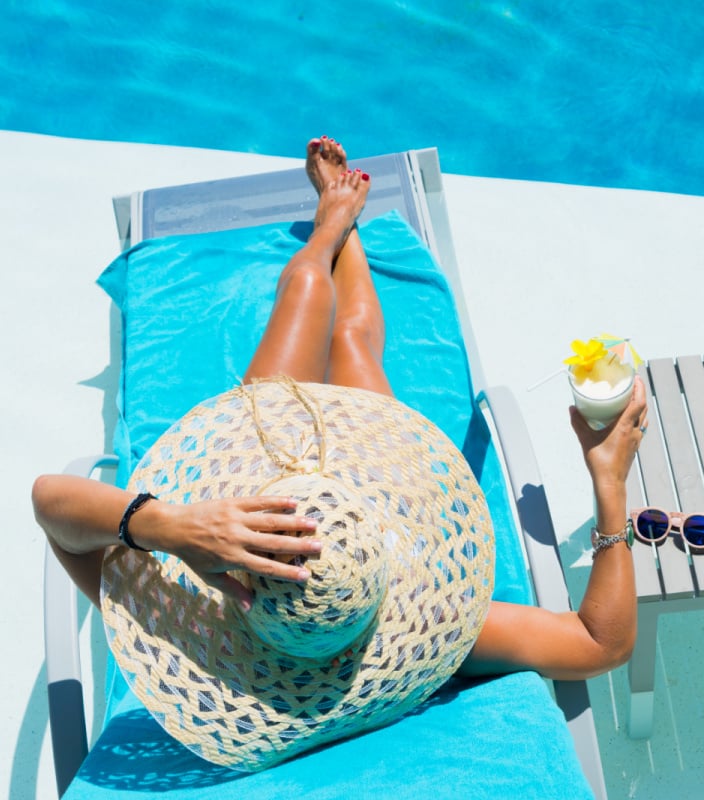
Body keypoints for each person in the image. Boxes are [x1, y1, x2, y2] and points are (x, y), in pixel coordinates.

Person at [33, 136, 647, 731]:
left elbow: (51, 507)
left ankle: (332, 224)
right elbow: (600, 643)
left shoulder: (197, 635)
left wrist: (174, 527)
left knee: (304, 290)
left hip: (260, 462)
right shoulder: (429, 620)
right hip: (372, 491)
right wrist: (609, 480)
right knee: (351, 341)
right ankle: (342, 227)